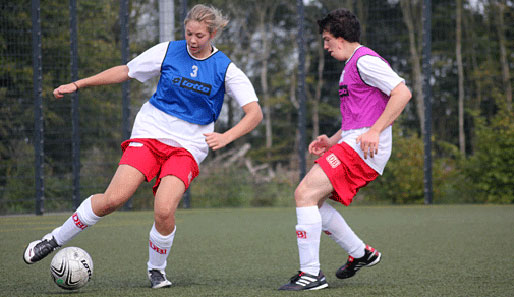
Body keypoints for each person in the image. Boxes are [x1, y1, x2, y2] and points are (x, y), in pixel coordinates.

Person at [23, 4, 262, 289]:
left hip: (188, 146)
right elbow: (126, 71)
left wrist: (226, 137)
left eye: (199, 35)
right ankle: (53, 239)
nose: (193, 41)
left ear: (212, 34)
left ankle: (156, 270)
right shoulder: (167, 51)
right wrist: (78, 84)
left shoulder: (225, 68)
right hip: (150, 132)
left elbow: (255, 112)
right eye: (188, 34)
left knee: (163, 210)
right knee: (113, 199)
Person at [279, 8, 412, 291]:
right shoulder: (352, 64)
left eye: (327, 39)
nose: (325, 46)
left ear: (341, 37)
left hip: (364, 149)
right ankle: (361, 253)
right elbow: (359, 117)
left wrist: (376, 131)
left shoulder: (365, 60)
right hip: (353, 143)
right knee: (312, 201)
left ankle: (311, 274)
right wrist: (333, 140)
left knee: (304, 193)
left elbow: (402, 93)